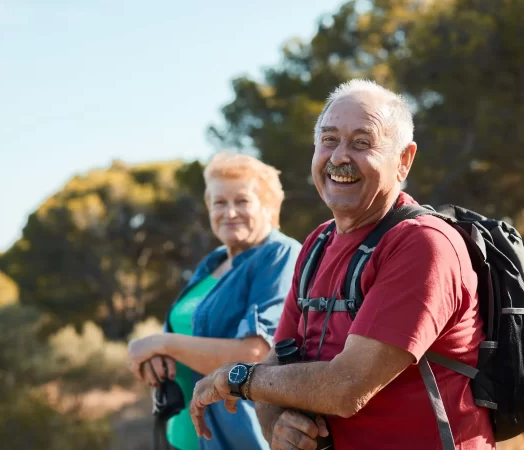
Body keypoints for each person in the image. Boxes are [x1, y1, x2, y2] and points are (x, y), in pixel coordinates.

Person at [189, 79, 495, 450]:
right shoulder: (317, 243)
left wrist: (235, 379)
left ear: (403, 160)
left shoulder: (423, 245)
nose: (338, 158)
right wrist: (277, 425)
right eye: (329, 140)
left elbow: (347, 387)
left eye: (362, 142)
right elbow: (276, 363)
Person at [127, 152, 301, 450]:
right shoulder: (213, 261)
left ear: (268, 206)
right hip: (181, 437)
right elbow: (190, 335)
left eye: (242, 200)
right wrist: (157, 359)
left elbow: (255, 354)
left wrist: (161, 343)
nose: (229, 212)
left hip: (241, 439)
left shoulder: (279, 255)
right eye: (220, 202)